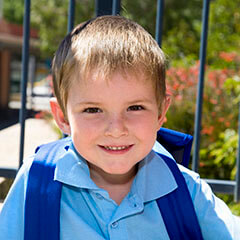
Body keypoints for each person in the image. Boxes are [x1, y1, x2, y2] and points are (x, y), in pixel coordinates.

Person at [0, 15, 239, 240]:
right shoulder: (35, 182)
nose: (116, 129)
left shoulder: (186, 191)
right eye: (93, 110)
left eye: (135, 108)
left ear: (161, 112)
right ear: (62, 117)